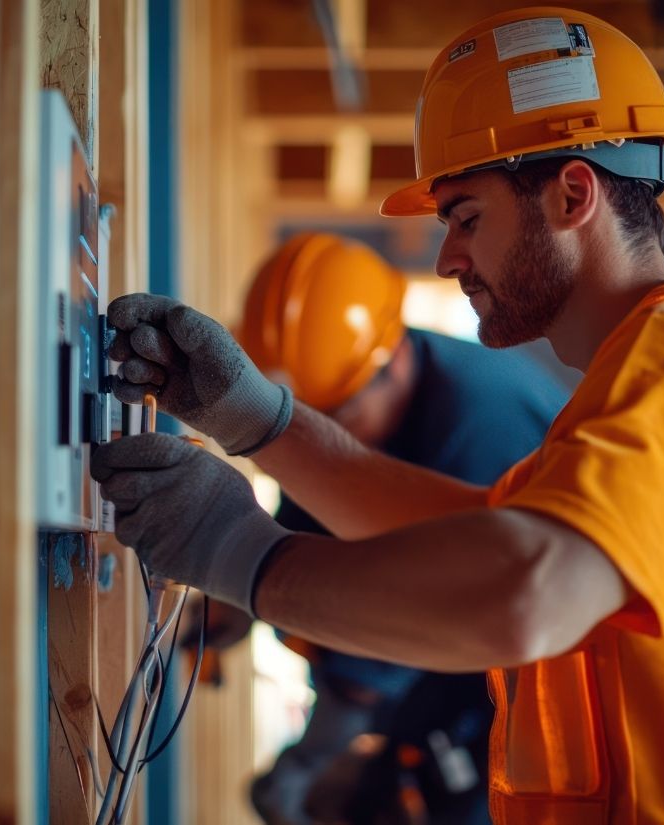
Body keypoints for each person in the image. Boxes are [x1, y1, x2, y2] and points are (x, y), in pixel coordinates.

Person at [92, 7, 664, 824]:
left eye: (466, 218)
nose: (448, 258)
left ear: (571, 193)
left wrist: (239, 551)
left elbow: (523, 592)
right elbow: (475, 527)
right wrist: (260, 422)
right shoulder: (650, 366)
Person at [209, 231, 571, 825]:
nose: (319, 436)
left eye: (332, 418)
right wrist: (236, 593)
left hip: (525, 700)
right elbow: (325, 485)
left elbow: (423, 605)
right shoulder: (374, 383)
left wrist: (307, 759)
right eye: (302, 421)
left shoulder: (479, 429)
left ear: (390, 361)